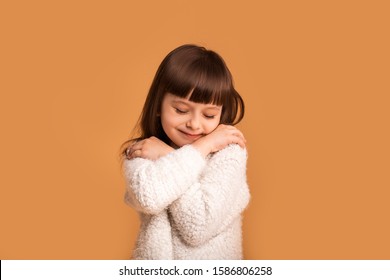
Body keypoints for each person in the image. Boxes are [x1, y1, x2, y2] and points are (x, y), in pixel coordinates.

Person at [120, 44, 250, 259]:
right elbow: (149, 197)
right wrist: (195, 151)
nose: (194, 124)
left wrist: (174, 154)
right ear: (158, 105)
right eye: (181, 110)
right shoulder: (142, 150)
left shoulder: (229, 152)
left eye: (209, 115)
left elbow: (198, 226)